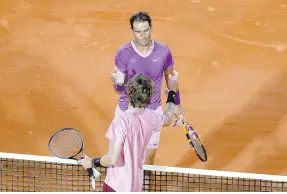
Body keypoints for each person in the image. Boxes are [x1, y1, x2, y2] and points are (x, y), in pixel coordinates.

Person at [78, 71, 179, 192]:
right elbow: (167, 117)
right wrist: (172, 91)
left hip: (115, 187)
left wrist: (92, 162)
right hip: (135, 187)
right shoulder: (152, 117)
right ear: (150, 95)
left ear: (129, 93)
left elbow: (112, 159)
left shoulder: (120, 121)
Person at [110, 11, 185, 166]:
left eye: (146, 30)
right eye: (138, 32)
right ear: (132, 31)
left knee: (148, 161)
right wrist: (118, 83)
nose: (142, 35)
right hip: (126, 111)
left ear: (151, 28)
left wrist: (178, 104)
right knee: (119, 159)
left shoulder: (163, 52)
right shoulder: (123, 53)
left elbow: (171, 79)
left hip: (153, 109)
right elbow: (118, 90)